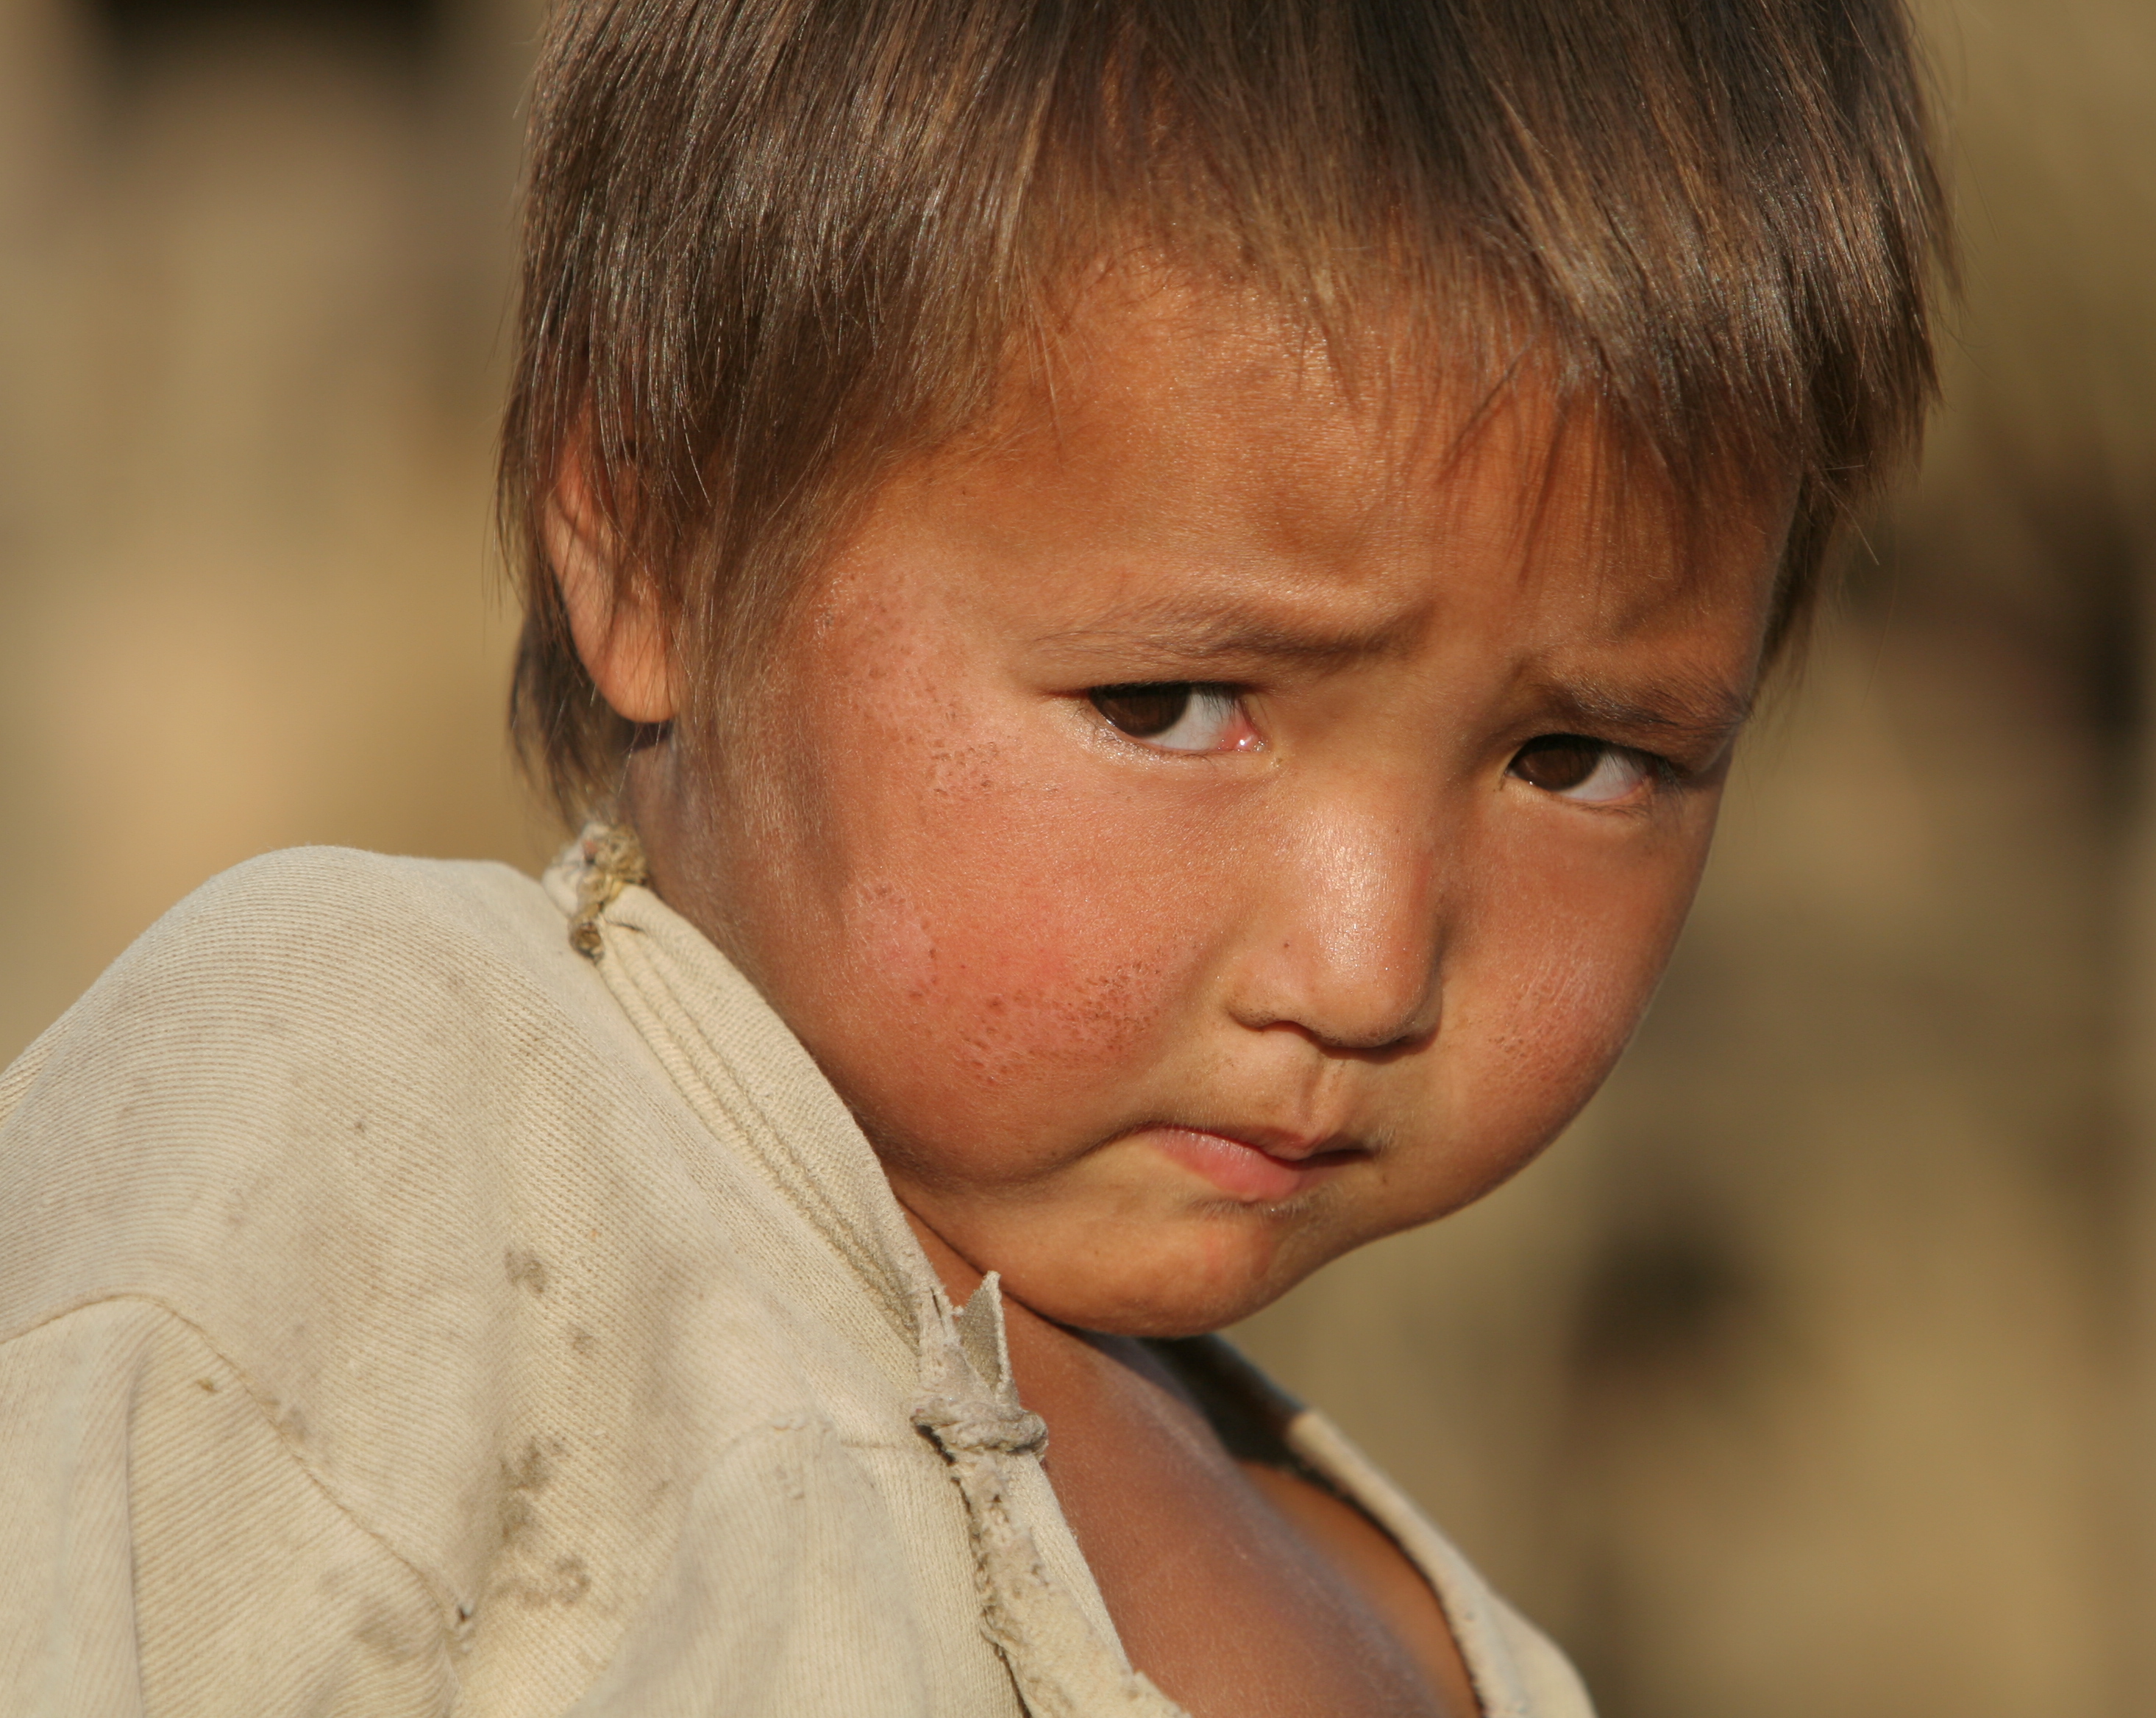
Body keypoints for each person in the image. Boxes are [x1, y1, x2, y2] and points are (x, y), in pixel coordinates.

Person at [0, 1, 1944, 1712]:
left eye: (1581, 759)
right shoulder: (385, 1126)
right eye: (1172, 707)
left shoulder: (1451, 1648)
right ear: (653, 536)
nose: (1368, 970)